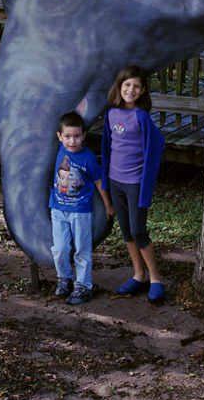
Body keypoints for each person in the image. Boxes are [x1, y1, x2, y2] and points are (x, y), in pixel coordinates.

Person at [101, 66, 166, 304]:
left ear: (143, 91)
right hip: (116, 180)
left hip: (136, 182)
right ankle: (139, 275)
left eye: (136, 86)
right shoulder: (111, 114)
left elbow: (158, 143)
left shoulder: (141, 117)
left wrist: (147, 177)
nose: (131, 90)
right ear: (119, 87)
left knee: (139, 230)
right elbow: (107, 149)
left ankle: (156, 278)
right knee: (126, 229)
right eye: (127, 85)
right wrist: (107, 183)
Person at [50, 112, 115, 305]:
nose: (72, 141)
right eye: (67, 136)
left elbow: (98, 181)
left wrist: (108, 204)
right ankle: (65, 278)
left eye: (77, 136)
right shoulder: (58, 151)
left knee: (82, 249)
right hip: (58, 208)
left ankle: (83, 285)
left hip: (81, 211)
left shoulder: (88, 158)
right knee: (60, 248)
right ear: (59, 136)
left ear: (84, 135)